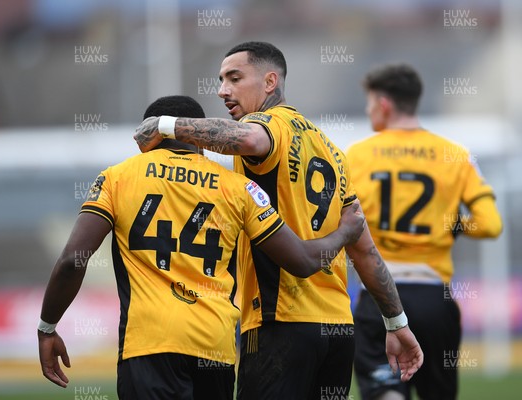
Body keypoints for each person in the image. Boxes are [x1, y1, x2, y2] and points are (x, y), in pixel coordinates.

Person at [134, 42, 423, 400]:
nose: (223, 90)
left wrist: (163, 125)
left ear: (270, 82)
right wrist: (396, 323)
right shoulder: (331, 150)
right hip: (336, 330)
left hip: (279, 323)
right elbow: (363, 249)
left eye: (234, 78)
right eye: (221, 80)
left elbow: (250, 139)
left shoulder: (266, 126)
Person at [38, 95, 366, 400]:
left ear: (147, 139)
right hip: (216, 350)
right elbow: (302, 260)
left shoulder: (118, 178)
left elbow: (72, 260)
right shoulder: (240, 189)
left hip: (150, 345)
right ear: (202, 141)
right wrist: (344, 233)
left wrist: (47, 327)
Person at [346, 64, 503, 400]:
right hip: (434, 297)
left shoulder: (356, 156)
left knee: (384, 392)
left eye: (370, 102)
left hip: (379, 296)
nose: (368, 109)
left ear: (384, 104)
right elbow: (491, 224)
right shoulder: (455, 155)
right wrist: (449, 224)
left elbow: (336, 223)